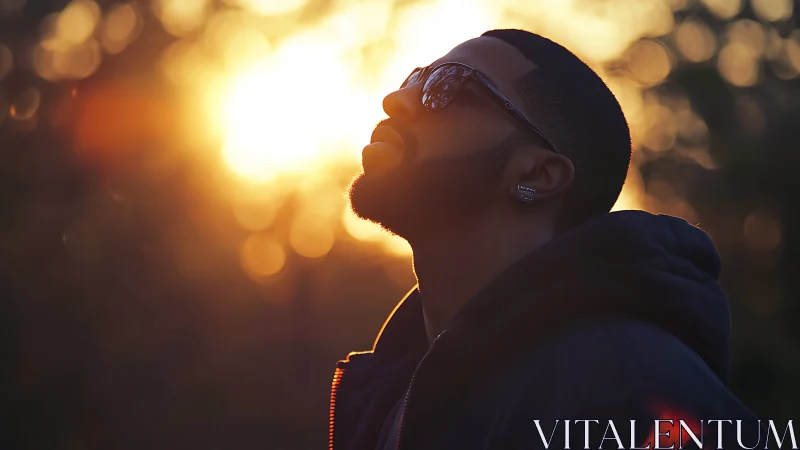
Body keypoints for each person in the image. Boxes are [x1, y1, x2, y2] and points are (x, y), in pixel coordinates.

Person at [331, 29, 762, 450]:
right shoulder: (391, 398)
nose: (396, 101)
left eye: (448, 85)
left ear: (538, 174)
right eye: (414, 79)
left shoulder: (628, 389)